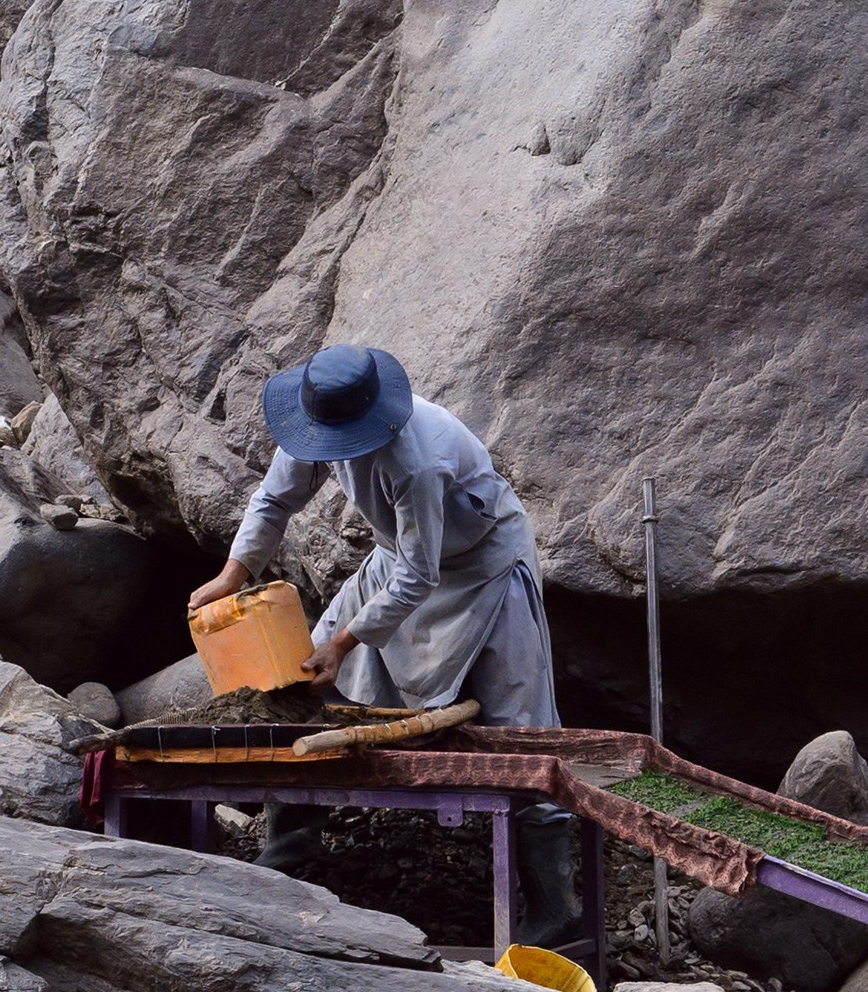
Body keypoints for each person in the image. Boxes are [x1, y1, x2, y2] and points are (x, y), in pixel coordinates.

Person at [190, 343, 578, 945]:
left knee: (521, 726)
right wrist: (231, 576)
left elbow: (419, 579)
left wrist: (344, 644)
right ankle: (293, 847)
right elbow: (273, 500)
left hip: (482, 566)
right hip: (397, 558)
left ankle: (555, 905)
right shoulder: (312, 422)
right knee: (301, 678)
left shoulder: (414, 459)